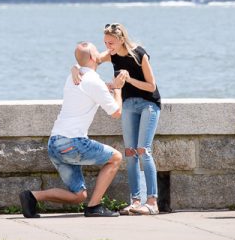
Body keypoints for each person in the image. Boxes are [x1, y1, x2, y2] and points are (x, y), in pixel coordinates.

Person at [19, 42, 124, 218]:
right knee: (116, 158)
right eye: (96, 50)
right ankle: (94, 207)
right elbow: (116, 112)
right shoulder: (92, 81)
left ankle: (32, 196)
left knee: (79, 195)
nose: (100, 51)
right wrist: (118, 89)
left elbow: (93, 71)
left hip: (55, 143)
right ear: (92, 57)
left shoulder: (75, 76)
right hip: (72, 142)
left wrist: (76, 67)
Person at [74, 23, 161, 215]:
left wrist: (128, 80)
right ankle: (136, 201)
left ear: (121, 39)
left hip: (148, 104)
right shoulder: (111, 54)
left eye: (111, 42)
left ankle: (152, 202)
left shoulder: (139, 54)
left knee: (143, 150)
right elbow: (90, 59)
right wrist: (75, 68)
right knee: (130, 153)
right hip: (129, 104)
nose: (108, 47)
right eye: (105, 43)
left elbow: (151, 86)